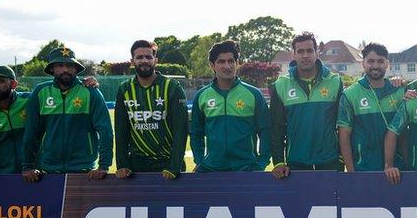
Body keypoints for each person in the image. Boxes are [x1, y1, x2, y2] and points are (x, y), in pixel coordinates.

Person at [21, 46, 113, 180]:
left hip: (84, 169)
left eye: (70, 65)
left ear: (76, 68)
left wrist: (104, 165)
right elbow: (31, 132)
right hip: (48, 170)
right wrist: (27, 165)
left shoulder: (90, 92)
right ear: (52, 69)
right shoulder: (41, 92)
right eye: (60, 65)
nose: (65, 70)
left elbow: (106, 131)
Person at [270, 32, 344, 177]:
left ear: (317, 53)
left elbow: (344, 124)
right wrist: (278, 162)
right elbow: (276, 127)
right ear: (293, 54)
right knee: (300, 200)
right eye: (300, 51)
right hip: (297, 162)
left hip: (330, 161)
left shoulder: (335, 81)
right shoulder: (281, 85)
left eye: (309, 50)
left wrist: (342, 157)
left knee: (329, 200)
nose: (305, 55)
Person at [190, 40, 270, 172]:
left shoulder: (254, 94)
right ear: (212, 65)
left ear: (237, 63)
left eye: (231, 61)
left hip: (247, 170)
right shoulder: (202, 96)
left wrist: (261, 163)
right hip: (212, 171)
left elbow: (266, 131)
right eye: (221, 61)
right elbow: (196, 133)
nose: (227, 66)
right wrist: (199, 161)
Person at [113, 39, 188, 179]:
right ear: (132, 61)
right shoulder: (124, 89)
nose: (144, 60)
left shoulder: (172, 87)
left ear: (156, 60)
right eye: (139, 57)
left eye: (148, 57)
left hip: (167, 164)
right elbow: (121, 130)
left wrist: (175, 166)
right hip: (136, 166)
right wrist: (122, 164)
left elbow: (181, 130)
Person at [337, 42, 405, 171]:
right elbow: (344, 136)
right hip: (363, 168)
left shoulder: (399, 91)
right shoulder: (350, 94)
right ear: (363, 63)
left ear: (387, 64)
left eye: (380, 61)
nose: (375, 66)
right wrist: (351, 172)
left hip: (396, 169)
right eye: (370, 61)